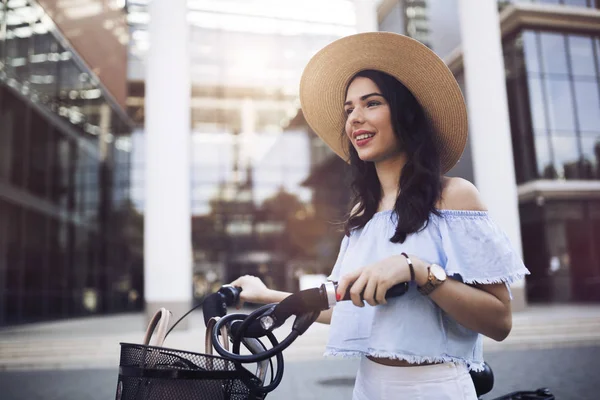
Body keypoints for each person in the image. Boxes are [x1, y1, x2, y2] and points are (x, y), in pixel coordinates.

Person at [231, 32, 530, 400]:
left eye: (371, 103)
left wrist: (417, 271)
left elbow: (499, 322)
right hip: (369, 387)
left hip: (436, 388)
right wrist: (266, 296)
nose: (355, 118)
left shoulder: (455, 197)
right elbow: (342, 302)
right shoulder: (363, 212)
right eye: (349, 109)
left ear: (405, 114)